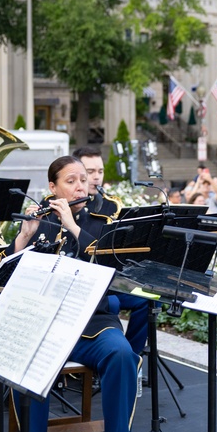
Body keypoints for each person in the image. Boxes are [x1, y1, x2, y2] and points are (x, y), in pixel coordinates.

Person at [11, 156, 140, 432]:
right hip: (47, 322)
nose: (81, 186)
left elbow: (112, 268)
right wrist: (23, 240)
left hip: (93, 323)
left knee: (122, 354)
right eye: (71, 181)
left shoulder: (102, 221)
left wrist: (72, 225)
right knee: (23, 357)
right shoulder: (40, 222)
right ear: (52, 188)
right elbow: (9, 278)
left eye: (83, 179)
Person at [73, 146, 152, 357]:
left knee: (145, 299)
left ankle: (132, 357)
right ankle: (103, 356)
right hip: (80, 280)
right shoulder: (66, 203)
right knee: (114, 303)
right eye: (89, 172)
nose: (96, 177)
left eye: (100, 171)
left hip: (107, 277)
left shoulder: (110, 205)